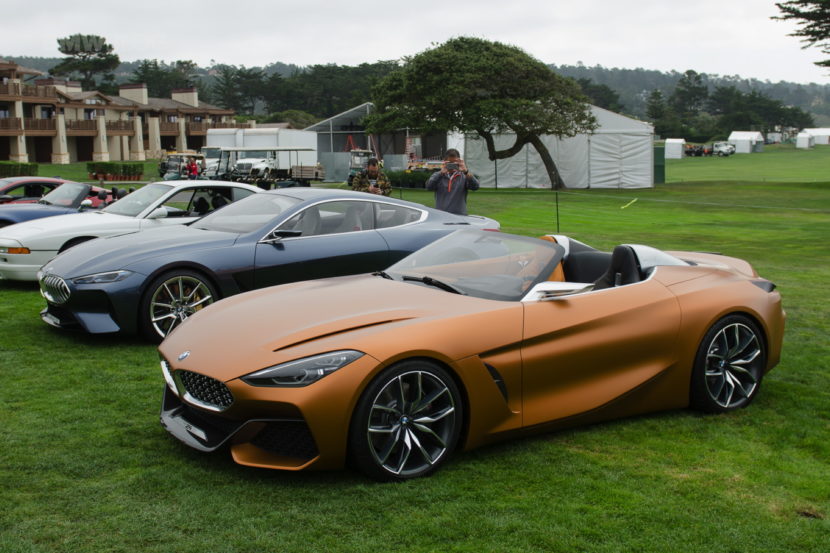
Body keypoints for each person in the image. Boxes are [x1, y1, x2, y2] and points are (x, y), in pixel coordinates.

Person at [426, 149, 479, 215]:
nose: (452, 166)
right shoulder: (438, 175)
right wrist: (440, 173)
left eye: (454, 163)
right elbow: (428, 187)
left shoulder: (464, 176)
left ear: (459, 162)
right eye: (450, 163)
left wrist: (466, 171)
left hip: (459, 216)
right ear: (444, 161)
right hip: (441, 215)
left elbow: (475, 187)